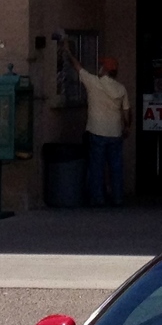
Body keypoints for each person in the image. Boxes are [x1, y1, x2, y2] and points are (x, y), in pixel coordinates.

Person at [60, 39, 132, 206]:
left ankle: (98, 199)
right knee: (115, 167)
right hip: (115, 132)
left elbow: (78, 67)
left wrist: (68, 52)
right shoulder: (121, 88)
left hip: (97, 131)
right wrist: (127, 127)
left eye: (102, 66)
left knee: (97, 167)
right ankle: (118, 197)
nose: (99, 67)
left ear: (105, 69)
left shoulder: (94, 83)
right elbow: (127, 111)